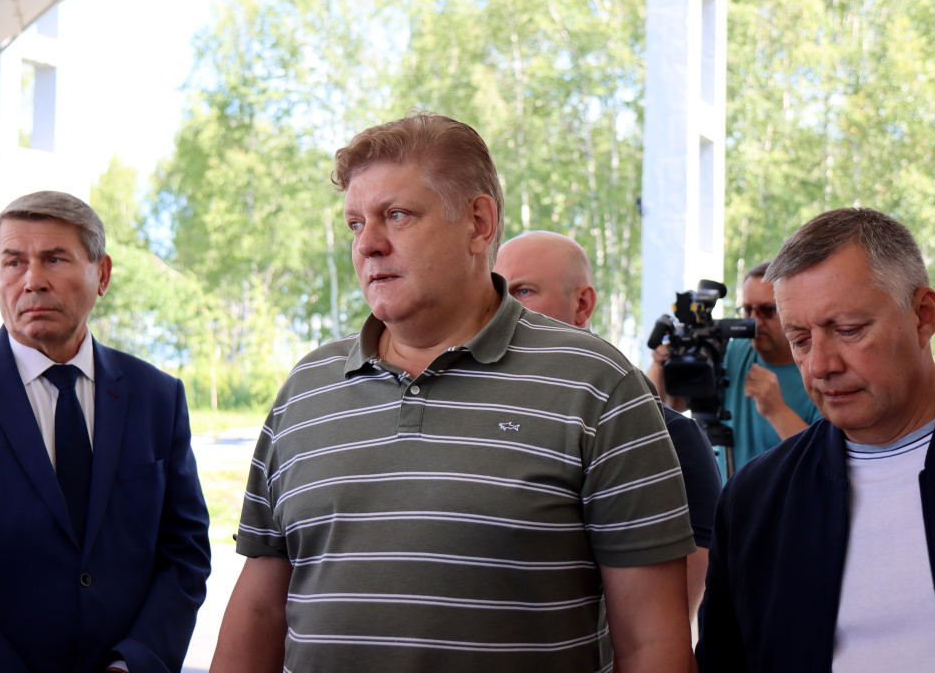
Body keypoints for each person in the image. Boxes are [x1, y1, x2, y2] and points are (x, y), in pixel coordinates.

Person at [212, 113, 697, 673]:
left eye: (397, 215)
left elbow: (653, 645)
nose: (368, 244)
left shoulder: (598, 385)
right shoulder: (306, 388)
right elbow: (259, 610)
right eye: (355, 224)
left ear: (478, 223)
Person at [696, 207, 935, 672]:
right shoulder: (753, 500)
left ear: (924, 316)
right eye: (800, 339)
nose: (821, 365)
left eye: (848, 331)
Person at [0, 191, 211, 673]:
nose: (33, 281)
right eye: (14, 263)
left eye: (54, 259)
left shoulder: (158, 397)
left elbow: (185, 554)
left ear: (102, 274)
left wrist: (132, 663)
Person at [494, 230, 722, 633]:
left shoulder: (671, 438)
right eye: (495, 292)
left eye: (524, 291)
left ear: (583, 304)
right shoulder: (472, 422)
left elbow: (659, 634)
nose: (503, 308)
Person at [648, 261, 820, 478]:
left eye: (767, 310)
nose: (755, 321)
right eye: (747, 310)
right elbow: (668, 405)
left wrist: (778, 411)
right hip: (729, 494)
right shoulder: (732, 349)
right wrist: (660, 362)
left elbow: (822, 461)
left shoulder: (816, 367)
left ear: (790, 309)